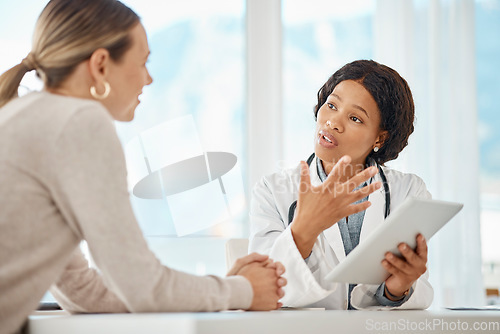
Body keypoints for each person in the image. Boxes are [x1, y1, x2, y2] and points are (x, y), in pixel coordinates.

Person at [0, 1, 286, 333]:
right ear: (101, 65)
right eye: (143, 62)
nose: (148, 79)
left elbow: (81, 291)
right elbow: (142, 286)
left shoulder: (23, 117)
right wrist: (244, 290)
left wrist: (227, 288)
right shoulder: (80, 122)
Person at [249, 60, 433, 310]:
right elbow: (261, 286)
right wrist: (303, 230)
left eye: (355, 118)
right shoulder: (273, 190)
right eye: (332, 105)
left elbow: (415, 288)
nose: (333, 122)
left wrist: (397, 289)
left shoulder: (409, 193)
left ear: (380, 137)